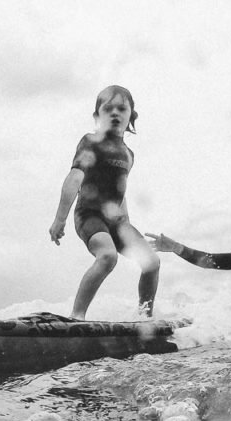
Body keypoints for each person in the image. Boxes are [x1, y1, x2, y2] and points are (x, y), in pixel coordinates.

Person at [48, 85, 161, 319]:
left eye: (122, 108)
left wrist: (127, 225)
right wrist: (60, 220)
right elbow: (75, 177)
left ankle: (144, 319)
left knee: (151, 262)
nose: (115, 113)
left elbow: (120, 190)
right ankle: (76, 317)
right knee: (108, 256)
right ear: (97, 115)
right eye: (108, 108)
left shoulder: (129, 154)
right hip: (89, 215)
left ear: (132, 115)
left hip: (116, 221)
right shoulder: (91, 142)